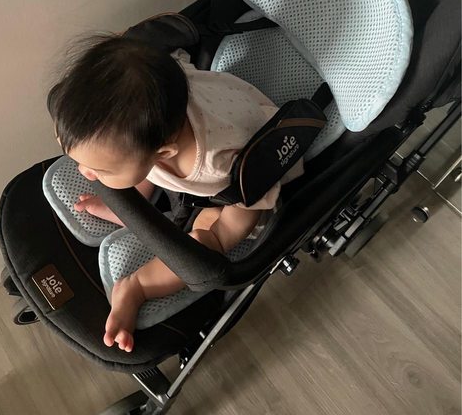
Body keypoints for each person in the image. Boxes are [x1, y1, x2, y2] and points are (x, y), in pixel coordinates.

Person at [48, 33, 302, 353]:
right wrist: (111, 176)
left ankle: (137, 287)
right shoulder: (161, 86)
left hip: (246, 186)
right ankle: (128, 201)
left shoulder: (222, 164)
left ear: (165, 154)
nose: (84, 173)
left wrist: (218, 235)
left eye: (99, 171)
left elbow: (243, 216)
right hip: (208, 115)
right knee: (133, 160)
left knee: (203, 245)